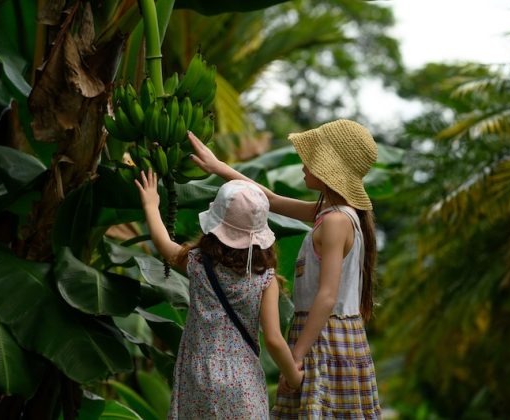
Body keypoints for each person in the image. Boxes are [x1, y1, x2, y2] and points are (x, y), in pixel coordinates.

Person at [187, 119, 382, 419]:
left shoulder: (335, 221)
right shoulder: (330, 212)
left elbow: (327, 296)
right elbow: (272, 200)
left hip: (324, 335)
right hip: (319, 331)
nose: (303, 163)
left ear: (329, 169)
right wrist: (220, 167)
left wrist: (297, 355)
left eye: (311, 157)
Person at [135, 170, 303, 419]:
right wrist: (294, 377)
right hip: (242, 381)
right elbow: (274, 340)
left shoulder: (198, 263)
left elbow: (162, 243)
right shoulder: (265, 280)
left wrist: (151, 203)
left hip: (197, 375)